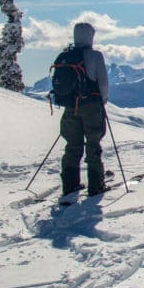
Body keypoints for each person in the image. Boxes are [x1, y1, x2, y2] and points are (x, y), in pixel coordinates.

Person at [59, 22, 110, 201]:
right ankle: (96, 185)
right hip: (91, 107)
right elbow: (102, 83)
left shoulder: (65, 56)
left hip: (70, 107)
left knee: (72, 146)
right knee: (93, 144)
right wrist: (103, 100)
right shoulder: (95, 56)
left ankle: (69, 185)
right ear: (90, 36)